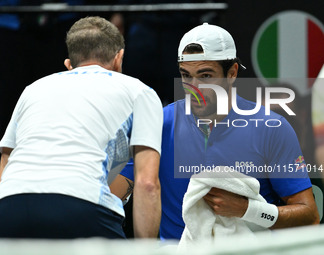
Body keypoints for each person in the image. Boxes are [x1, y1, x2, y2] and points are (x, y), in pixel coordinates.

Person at [110, 23, 320, 240]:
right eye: (186, 75)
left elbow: (309, 217)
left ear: (232, 73)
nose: (194, 88)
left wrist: (248, 209)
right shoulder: (159, 122)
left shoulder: (272, 128)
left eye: (206, 76)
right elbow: (112, 194)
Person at [0, 16, 163, 239]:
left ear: (69, 65)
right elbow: (147, 184)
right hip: (83, 207)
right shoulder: (140, 91)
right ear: (119, 58)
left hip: (7, 208)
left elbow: (6, 162)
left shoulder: (32, 89)